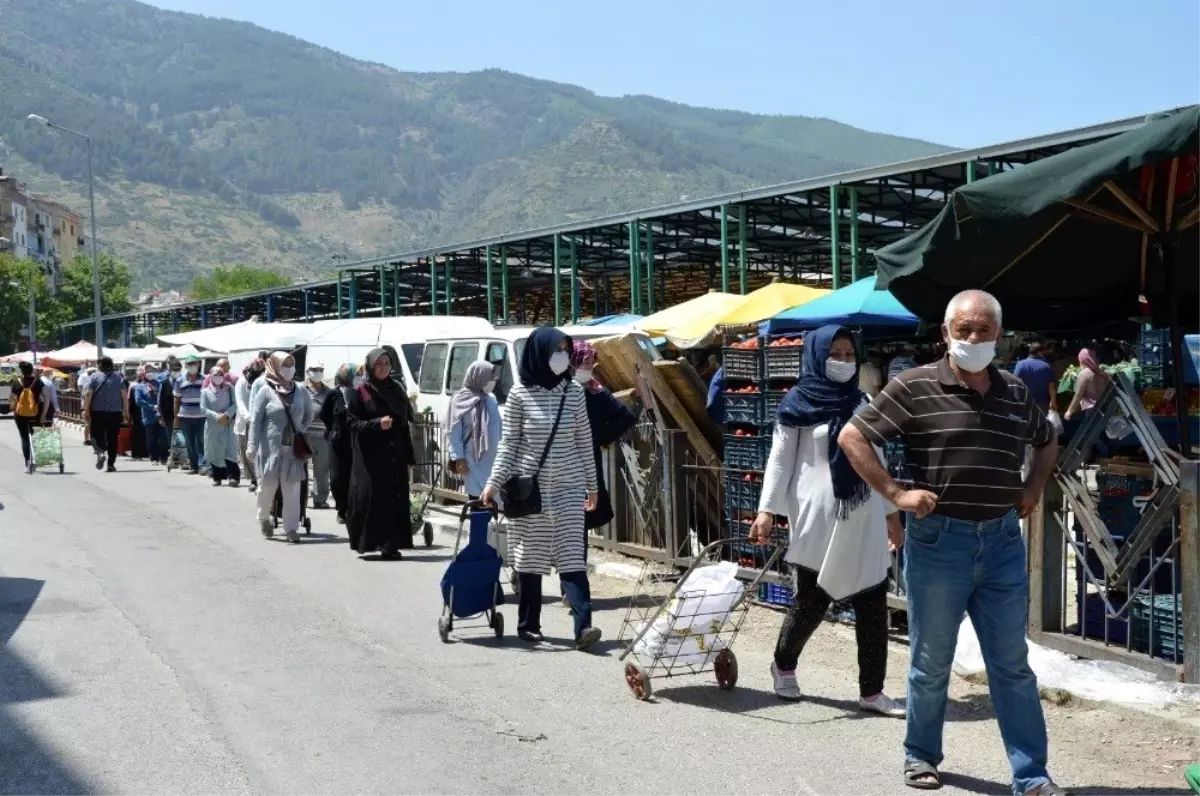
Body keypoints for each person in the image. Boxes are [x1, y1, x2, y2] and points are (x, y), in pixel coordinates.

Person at [838, 290, 1066, 796]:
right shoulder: (914, 386)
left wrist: (1032, 487)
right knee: (931, 659)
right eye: (962, 329)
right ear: (945, 333)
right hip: (940, 542)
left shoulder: (1011, 391)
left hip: (1003, 541)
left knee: (1011, 664)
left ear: (999, 336)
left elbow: (1047, 437)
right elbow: (854, 437)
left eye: (983, 329)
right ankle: (921, 756)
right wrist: (895, 492)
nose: (972, 338)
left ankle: (1031, 775)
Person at [748, 326, 904, 717]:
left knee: (872, 603)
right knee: (812, 603)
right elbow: (780, 460)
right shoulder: (796, 403)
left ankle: (872, 691)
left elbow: (876, 459)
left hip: (863, 513)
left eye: (850, 354)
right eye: (835, 353)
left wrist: (891, 512)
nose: (844, 361)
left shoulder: (863, 400)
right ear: (818, 355)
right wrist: (766, 509)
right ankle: (784, 663)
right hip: (816, 518)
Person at [480, 327, 600, 649]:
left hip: (569, 487)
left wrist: (593, 486)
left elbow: (584, 442)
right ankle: (529, 624)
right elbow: (508, 446)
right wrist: (492, 484)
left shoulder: (573, 392)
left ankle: (583, 627)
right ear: (539, 353)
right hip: (530, 492)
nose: (562, 356)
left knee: (572, 557)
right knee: (530, 559)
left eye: (565, 349)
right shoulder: (519, 395)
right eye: (556, 350)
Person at [346, 348, 417, 559]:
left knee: (394, 498)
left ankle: (390, 545)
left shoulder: (396, 388)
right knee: (371, 498)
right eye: (379, 364)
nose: (384, 368)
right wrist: (377, 424)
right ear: (370, 366)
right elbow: (352, 422)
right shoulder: (360, 392)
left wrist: (409, 455)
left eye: (387, 363)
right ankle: (368, 543)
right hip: (370, 455)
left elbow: (405, 422)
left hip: (395, 452)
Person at [571, 340, 637, 532]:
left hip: (586, 465)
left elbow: (626, 417)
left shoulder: (597, 392)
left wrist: (599, 437)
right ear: (572, 362)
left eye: (592, 362)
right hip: (563, 466)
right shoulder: (560, 393)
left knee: (581, 522)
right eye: (586, 362)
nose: (591, 366)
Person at [248, 351, 313, 543]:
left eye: (291, 365)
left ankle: (291, 529)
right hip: (269, 450)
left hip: (293, 451)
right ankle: (263, 518)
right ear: (274, 366)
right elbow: (256, 420)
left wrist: (300, 428)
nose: (289, 369)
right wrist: (252, 446)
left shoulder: (301, 390)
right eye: (284, 365)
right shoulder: (264, 390)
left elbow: (309, 414)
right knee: (267, 486)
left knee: (292, 489)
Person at [444, 360, 501, 500]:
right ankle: (478, 522)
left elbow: (499, 427)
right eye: (490, 377)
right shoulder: (460, 399)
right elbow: (453, 431)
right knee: (476, 500)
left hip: (493, 460)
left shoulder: (491, 399)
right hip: (472, 460)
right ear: (479, 376)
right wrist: (458, 458)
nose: (493, 381)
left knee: (491, 501)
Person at [319, 363, 356, 524]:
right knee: (337, 478)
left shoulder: (358, 394)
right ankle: (341, 508)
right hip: (337, 442)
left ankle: (351, 508)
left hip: (355, 442)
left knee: (353, 476)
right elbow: (324, 414)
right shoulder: (333, 394)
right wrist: (333, 429)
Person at [84, 356, 129, 473]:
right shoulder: (119, 377)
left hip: (98, 411)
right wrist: (126, 412)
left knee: (95, 435)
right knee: (113, 438)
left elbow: (89, 394)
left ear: (100, 365)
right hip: (115, 412)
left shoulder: (94, 377)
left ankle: (100, 452)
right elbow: (124, 396)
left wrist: (86, 410)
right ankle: (111, 464)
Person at [201, 365, 241, 487]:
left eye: (220, 374)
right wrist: (217, 416)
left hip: (228, 423)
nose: (217, 377)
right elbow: (203, 409)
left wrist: (227, 415)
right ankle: (217, 477)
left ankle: (233, 477)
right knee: (215, 451)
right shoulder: (206, 392)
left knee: (230, 450)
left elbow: (235, 404)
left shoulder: (229, 388)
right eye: (215, 375)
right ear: (210, 377)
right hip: (213, 425)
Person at [302, 362, 332, 508]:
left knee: (322, 468)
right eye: (314, 370)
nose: (317, 372)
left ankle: (320, 498)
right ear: (308, 372)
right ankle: (301, 497)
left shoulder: (328, 391)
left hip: (322, 435)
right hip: (303, 435)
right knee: (300, 468)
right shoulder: (301, 389)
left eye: (320, 369)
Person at [11, 361, 48, 472]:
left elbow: (12, 399)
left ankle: (27, 463)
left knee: (24, 437)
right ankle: (37, 460)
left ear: (21, 371)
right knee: (36, 435)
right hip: (35, 413)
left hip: (20, 414)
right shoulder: (38, 382)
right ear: (32, 370)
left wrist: (14, 406)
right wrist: (43, 415)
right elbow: (47, 398)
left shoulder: (16, 383)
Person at [174, 354, 207, 474]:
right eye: (190, 364)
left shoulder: (205, 379)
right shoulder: (179, 380)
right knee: (189, 442)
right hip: (185, 417)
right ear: (186, 366)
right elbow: (177, 399)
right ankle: (193, 465)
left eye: (195, 363)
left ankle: (202, 464)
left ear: (198, 364)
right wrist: (176, 416)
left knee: (201, 441)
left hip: (201, 416)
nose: (193, 366)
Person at [236, 358, 264, 492]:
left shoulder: (264, 381)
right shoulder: (242, 381)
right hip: (246, 420)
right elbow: (239, 400)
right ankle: (253, 479)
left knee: (259, 450)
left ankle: (261, 477)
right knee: (246, 450)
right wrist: (248, 417)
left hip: (260, 420)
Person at [1064, 348, 1110, 423]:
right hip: (1105, 406)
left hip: (1092, 409)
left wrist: (1070, 411)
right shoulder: (1102, 372)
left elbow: (1078, 395)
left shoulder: (1084, 374)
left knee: (1093, 432)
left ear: (1082, 360)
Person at [135, 366, 168, 465]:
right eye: (148, 371)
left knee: (163, 438)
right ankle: (154, 458)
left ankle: (164, 458)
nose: (150, 373)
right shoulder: (140, 386)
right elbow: (139, 400)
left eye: (152, 371)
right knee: (151, 439)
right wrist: (152, 407)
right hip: (148, 416)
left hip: (161, 415)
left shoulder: (160, 384)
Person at [1014, 342, 1057, 415]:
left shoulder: (1020, 364)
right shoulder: (1046, 365)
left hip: (1025, 402)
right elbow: (1051, 387)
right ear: (1039, 352)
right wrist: (1053, 402)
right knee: (1042, 425)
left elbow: (1015, 383)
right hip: (1042, 404)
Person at [128, 367, 149, 461]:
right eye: (139, 374)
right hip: (136, 412)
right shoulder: (132, 386)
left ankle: (145, 452)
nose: (141, 376)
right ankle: (136, 453)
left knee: (146, 432)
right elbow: (129, 400)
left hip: (146, 411)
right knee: (137, 432)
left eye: (142, 374)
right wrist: (128, 413)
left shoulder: (148, 385)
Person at [78, 365, 97, 449]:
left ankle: (88, 439)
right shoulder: (90, 384)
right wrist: (85, 408)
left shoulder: (87, 384)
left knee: (88, 423)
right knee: (89, 423)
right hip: (89, 406)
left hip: (87, 406)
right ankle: (88, 439)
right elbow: (85, 397)